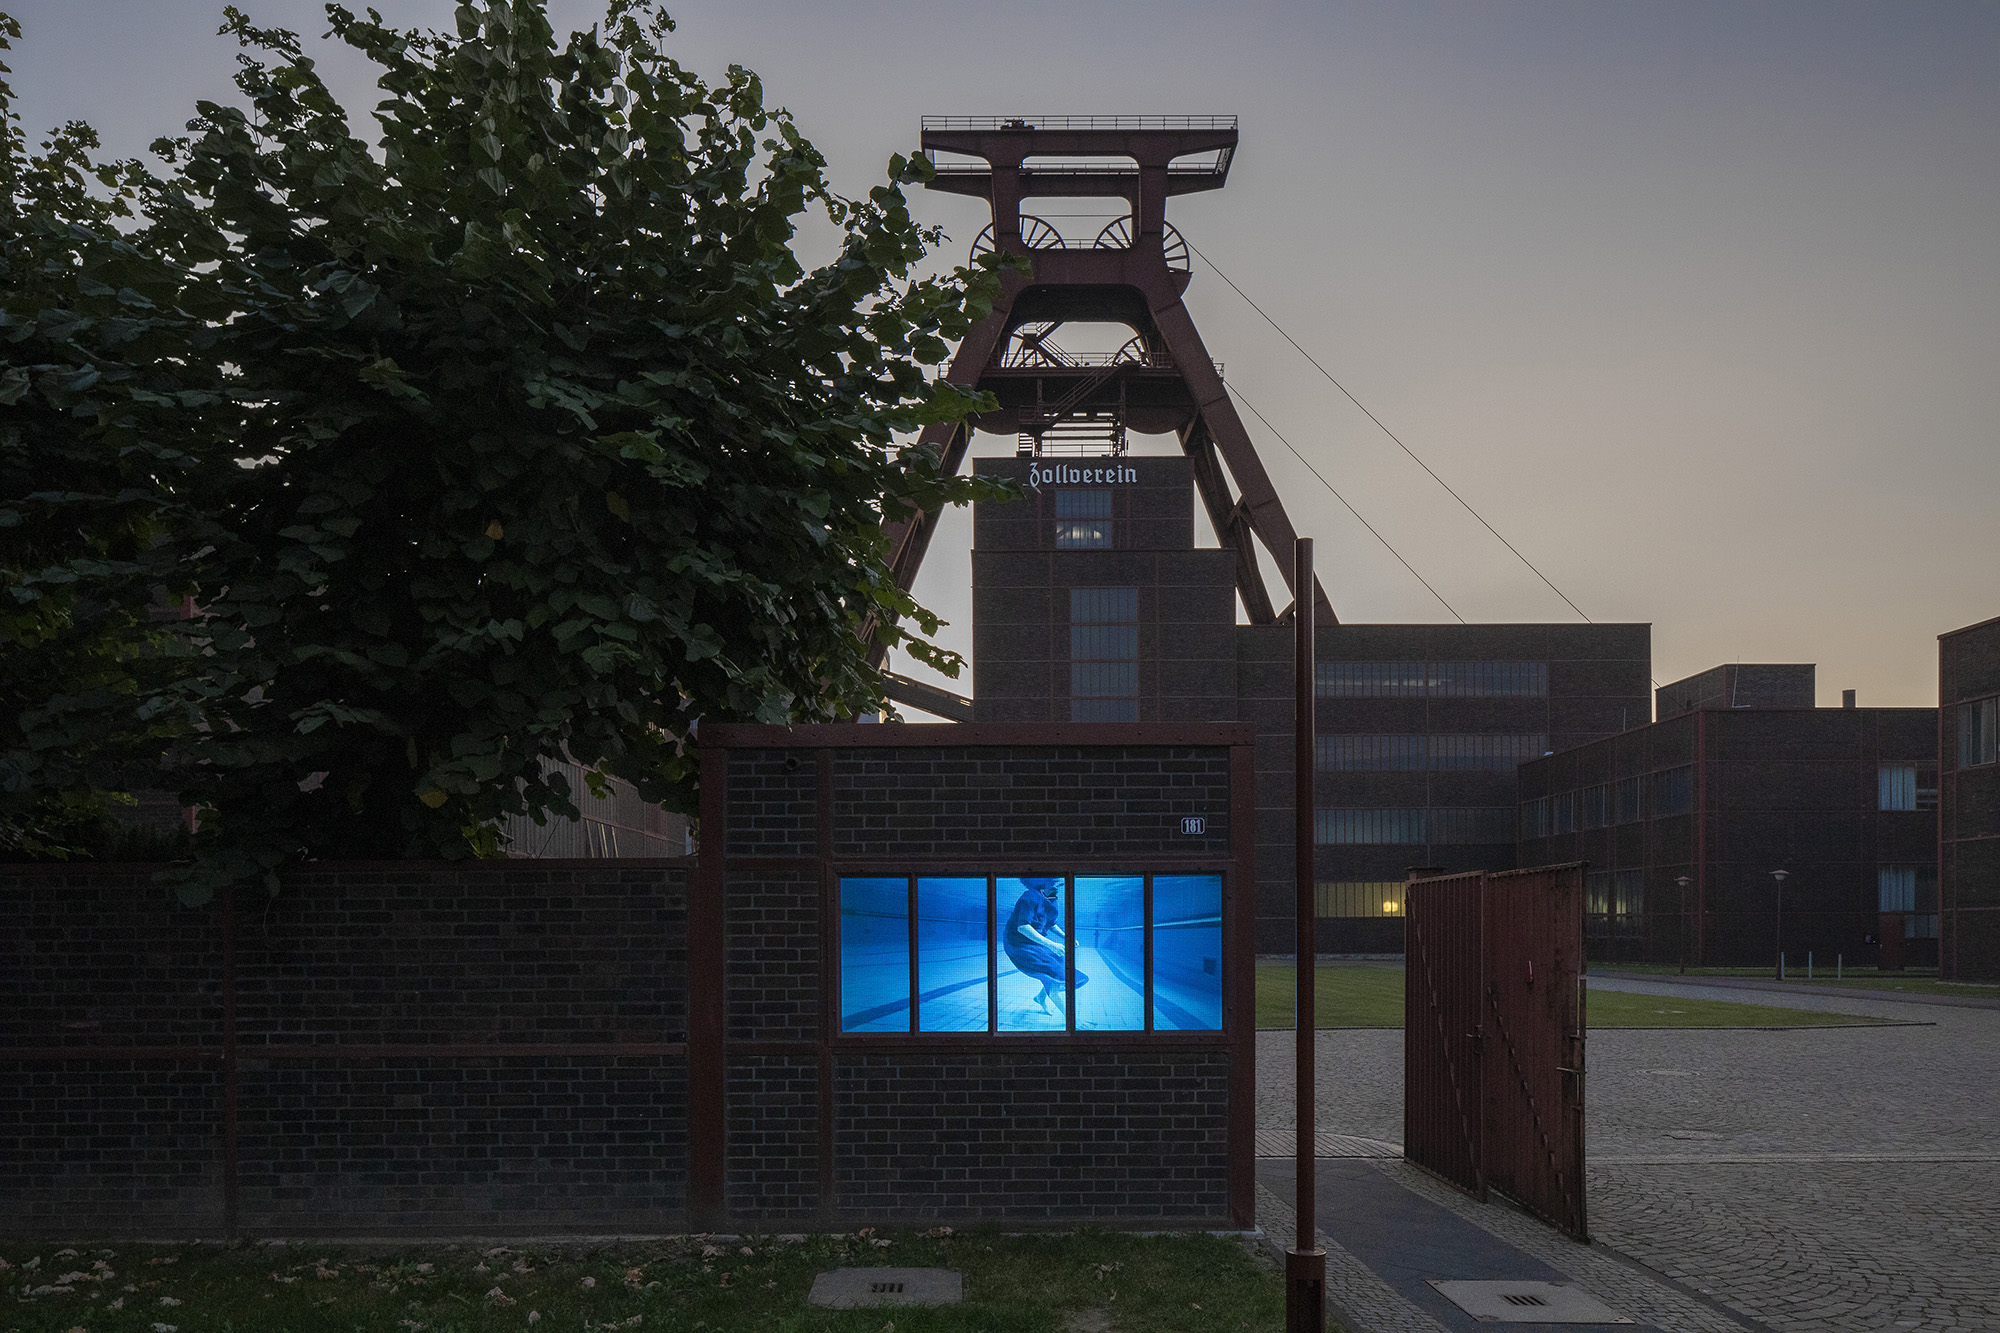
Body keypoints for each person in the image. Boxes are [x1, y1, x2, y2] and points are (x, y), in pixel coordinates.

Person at [1002, 879, 1088, 1013]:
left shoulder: (1051, 897)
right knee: (1053, 968)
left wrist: (1066, 937)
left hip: (1034, 941)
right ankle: (1072, 1019)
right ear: (1044, 881)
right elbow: (1022, 927)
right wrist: (1051, 945)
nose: (1058, 886)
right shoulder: (1029, 897)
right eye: (1055, 882)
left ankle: (1040, 998)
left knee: (1058, 965)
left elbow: (1051, 924)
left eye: (1059, 884)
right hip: (1017, 942)